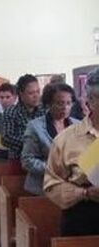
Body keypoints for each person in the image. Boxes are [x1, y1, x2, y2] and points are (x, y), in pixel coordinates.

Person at [44, 68, 99, 236]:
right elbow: (51, 185)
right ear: (90, 101)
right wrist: (86, 193)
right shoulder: (67, 139)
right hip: (85, 217)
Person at [21, 83, 78, 195]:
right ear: (49, 104)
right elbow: (27, 160)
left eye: (68, 103)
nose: (65, 107)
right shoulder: (35, 126)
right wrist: (54, 169)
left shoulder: (78, 125)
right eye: (60, 103)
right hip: (42, 188)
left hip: (72, 188)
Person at [2, 74, 45, 161]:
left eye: (38, 92)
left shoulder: (44, 111)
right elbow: (6, 138)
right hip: (18, 160)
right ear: (21, 94)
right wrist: (32, 144)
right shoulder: (11, 112)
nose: (36, 96)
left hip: (43, 159)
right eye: (31, 93)